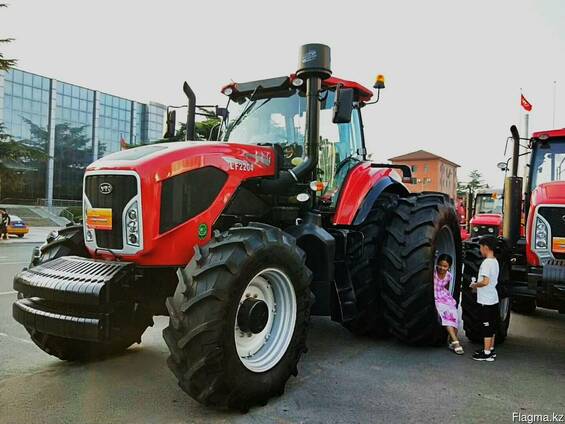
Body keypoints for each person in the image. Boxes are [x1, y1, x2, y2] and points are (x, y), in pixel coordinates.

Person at [470, 236, 499, 362]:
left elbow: (485, 281)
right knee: (492, 325)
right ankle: (490, 349)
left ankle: (486, 353)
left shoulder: (486, 263)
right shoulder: (495, 261)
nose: (480, 250)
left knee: (486, 326)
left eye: (481, 247)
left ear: (486, 247)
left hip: (486, 300)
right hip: (493, 298)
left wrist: (475, 285)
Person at [434, 254, 464, 354]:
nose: (442, 268)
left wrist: (447, 299)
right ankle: (455, 342)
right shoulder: (433, 273)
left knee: (454, 314)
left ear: (449, 267)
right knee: (447, 316)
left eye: (445, 266)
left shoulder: (448, 276)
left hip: (444, 296)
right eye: (440, 265)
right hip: (434, 296)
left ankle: (452, 340)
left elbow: (445, 288)